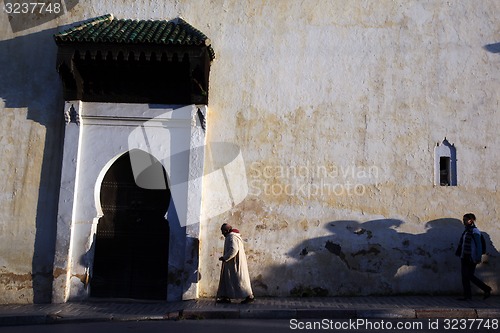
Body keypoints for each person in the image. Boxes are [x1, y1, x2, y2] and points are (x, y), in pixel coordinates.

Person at [455, 213, 492, 300]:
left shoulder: (475, 231)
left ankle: (486, 288)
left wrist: (478, 258)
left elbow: (478, 246)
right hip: (464, 257)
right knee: (465, 277)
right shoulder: (467, 231)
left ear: (470, 220)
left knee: (468, 275)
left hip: (471, 257)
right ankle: (468, 296)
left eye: (465, 219)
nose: (463, 221)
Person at [216, 223, 255, 304]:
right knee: (229, 280)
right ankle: (226, 297)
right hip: (232, 263)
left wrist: (225, 257)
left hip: (234, 263)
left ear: (227, 230)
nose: (222, 233)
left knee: (240, 280)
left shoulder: (232, 237)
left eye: (222, 231)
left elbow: (234, 250)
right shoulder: (232, 236)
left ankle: (249, 296)